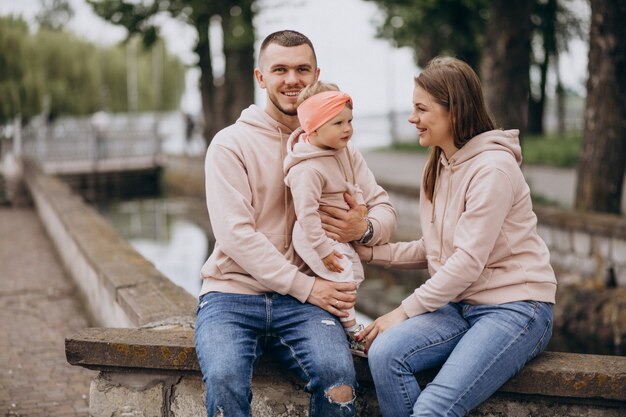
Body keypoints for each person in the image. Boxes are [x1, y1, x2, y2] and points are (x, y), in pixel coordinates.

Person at [193, 30, 397, 417]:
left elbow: (385, 210)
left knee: (339, 378)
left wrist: (363, 229)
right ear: (260, 77)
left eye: (302, 69)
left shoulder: (341, 146)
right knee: (224, 378)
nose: (292, 79)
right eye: (280, 70)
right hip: (233, 296)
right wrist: (308, 288)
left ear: (316, 74)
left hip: (304, 304)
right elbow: (237, 236)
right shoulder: (229, 144)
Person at [355, 56, 557, 417]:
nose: (411, 118)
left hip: (516, 308)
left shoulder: (493, 168)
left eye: (421, 108)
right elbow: (434, 249)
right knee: (384, 354)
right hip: (461, 305)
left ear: (455, 111)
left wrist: (402, 312)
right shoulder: (439, 164)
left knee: (433, 407)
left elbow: (466, 262)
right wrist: (367, 254)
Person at [283, 81, 377, 355]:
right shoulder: (307, 170)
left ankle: (341, 317)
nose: (347, 129)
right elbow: (307, 214)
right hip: (314, 237)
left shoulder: (342, 153)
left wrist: (360, 209)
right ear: (314, 126)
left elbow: (353, 186)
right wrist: (323, 250)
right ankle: (352, 331)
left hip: (335, 233)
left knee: (355, 272)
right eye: (338, 123)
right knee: (343, 277)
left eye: (349, 121)